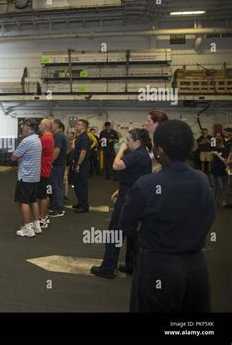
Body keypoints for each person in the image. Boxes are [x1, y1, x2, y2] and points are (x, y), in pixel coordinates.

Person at [120, 120, 215, 312]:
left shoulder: (146, 185)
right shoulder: (202, 180)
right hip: (196, 268)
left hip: (158, 267)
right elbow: (209, 214)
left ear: (159, 151)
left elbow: (126, 223)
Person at [91, 128, 152, 279]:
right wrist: (121, 189)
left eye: (128, 140)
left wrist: (121, 150)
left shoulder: (137, 155)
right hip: (134, 193)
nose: (125, 143)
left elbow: (116, 165)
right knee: (132, 232)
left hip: (129, 198)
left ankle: (108, 267)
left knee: (115, 231)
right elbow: (135, 175)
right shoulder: (143, 153)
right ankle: (132, 265)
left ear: (137, 142)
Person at [11, 119, 42, 237]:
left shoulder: (26, 141)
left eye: (23, 126)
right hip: (34, 177)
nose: (21, 128)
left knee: (23, 202)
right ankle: (37, 225)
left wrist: (19, 158)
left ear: (28, 127)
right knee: (33, 200)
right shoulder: (37, 139)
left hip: (26, 177)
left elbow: (14, 157)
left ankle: (28, 229)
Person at [49, 119, 68, 218]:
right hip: (60, 164)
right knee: (57, 186)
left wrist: (50, 162)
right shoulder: (61, 135)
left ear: (56, 125)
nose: (50, 126)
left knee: (56, 187)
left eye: (51, 124)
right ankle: (57, 206)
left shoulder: (58, 135)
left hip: (57, 165)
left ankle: (58, 209)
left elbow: (56, 150)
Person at [37, 119, 54, 228]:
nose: (38, 126)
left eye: (40, 124)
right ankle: (44, 216)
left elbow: (35, 150)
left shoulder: (46, 138)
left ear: (45, 126)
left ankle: (42, 218)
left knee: (43, 196)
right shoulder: (49, 137)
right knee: (44, 195)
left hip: (42, 171)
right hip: (45, 169)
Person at [72, 119, 91, 213]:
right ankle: (80, 202)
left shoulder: (85, 138)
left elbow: (83, 152)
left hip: (83, 164)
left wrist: (78, 164)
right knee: (77, 185)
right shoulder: (80, 137)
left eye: (78, 125)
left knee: (82, 185)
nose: (76, 126)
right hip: (78, 162)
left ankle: (84, 206)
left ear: (83, 127)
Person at [211, 135, 229, 206]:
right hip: (214, 170)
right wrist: (213, 154)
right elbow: (213, 159)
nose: (216, 145)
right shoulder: (215, 148)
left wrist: (217, 154)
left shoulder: (225, 150)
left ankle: (225, 201)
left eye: (218, 143)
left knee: (224, 187)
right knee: (215, 187)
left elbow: (225, 161)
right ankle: (213, 201)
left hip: (222, 171)